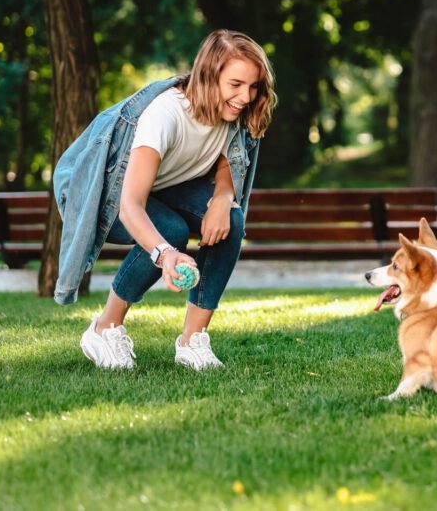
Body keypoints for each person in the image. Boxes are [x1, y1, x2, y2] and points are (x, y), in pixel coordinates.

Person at [53, 29, 277, 370]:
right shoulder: (165, 115)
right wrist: (165, 254)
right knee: (169, 231)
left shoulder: (236, 113)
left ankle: (192, 342)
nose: (246, 96)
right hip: (103, 194)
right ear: (208, 75)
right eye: (235, 85)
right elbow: (129, 205)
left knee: (231, 219)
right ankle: (104, 328)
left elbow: (226, 158)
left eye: (253, 86)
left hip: (161, 190)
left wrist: (222, 197)